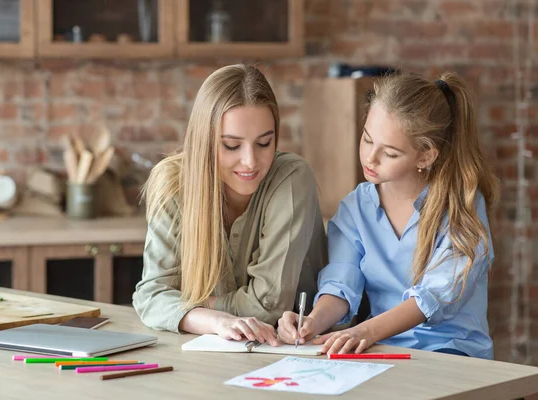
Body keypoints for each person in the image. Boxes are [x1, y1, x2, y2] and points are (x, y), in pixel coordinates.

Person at [277, 72, 499, 359]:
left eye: (390, 153)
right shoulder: (355, 207)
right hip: (384, 350)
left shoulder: (462, 206)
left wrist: (365, 331)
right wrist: (312, 322)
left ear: (425, 156)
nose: (370, 158)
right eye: (367, 140)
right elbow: (342, 283)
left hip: (452, 352)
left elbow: (432, 298)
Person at [133, 64, 327, 345]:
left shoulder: (292, 178)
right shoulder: (173, 181)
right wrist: (215, 321)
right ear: (205, 141)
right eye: (232, 146)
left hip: (293, 350)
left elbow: (268, 304)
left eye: (264, 143)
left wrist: (192, 306)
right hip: (216, 349)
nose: (250, 161)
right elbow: (150, 296)